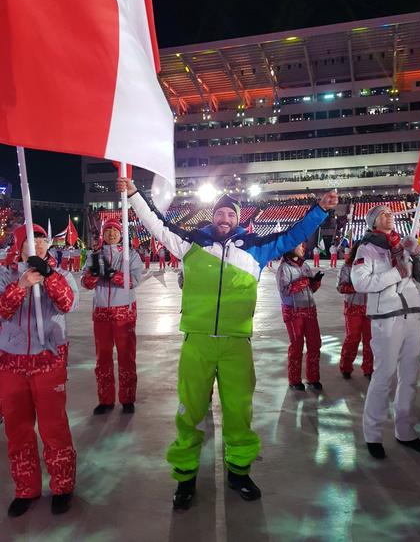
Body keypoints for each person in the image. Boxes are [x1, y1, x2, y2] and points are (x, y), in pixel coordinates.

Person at [118, 176, 337, 511]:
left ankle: (239, 472)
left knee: (238, 411)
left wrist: (320, 210)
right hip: (198, 341)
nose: (225, 220)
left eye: (231, 216)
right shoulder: (190, 243)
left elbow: (292, 235)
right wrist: (133, 194)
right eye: (220, 214)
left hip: (236, 343)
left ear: (238, 219)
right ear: (212, 217)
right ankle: (185, 476)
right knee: (189, 413)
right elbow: (157, 225)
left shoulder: (255, 249)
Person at [0, 224, 78, 517]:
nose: (39, 245)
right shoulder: (4, 275)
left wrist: (49, 278)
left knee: (53, 428)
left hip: (48, 361)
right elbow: (1, 310)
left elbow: (68, 303)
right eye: (31, 241)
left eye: (42, 239)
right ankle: (26, 489)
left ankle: (62, 486)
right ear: (19, 246)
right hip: (12, 363)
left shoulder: (62, 275)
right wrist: (20, 285)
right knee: (17, 430)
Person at [351, 205, 420, 459]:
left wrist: (419, 253)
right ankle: (372, 434)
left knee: (409, 376)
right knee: (383, 376)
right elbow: (360, 282)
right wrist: (393, 273)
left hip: (413, 314)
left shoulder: (405, 246)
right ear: (373, 222)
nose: (389, 216)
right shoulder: (367, 249)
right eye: (382, 214)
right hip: (386, 318)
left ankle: (405, 430)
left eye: (390, 213)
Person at [81, 219, 143, 415]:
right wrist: (93, 274)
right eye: (107, 231)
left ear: (121, 233)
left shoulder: (130, 255)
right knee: (103, 359)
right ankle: (105, 400)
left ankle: (127, 399)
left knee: (126, 356)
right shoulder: (93, 256)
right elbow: (86, 283)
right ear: (102, 234)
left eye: (114, 231)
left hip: (124, 312)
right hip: (101, 313)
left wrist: (111, 274)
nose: (111, 234)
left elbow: (133, 281)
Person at [276, 242, 323, 391]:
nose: (303, 248)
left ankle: (313, 378)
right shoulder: (284, 268)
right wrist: (304, 282)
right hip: (293, 312)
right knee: (297, 346)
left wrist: (315, 283)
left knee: (315, 344)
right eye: (300, 245)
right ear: (291, 247)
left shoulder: (305, 266)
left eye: (304, 245)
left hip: (309, 309)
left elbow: (310, 289)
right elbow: (284, 290)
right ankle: (294, 380)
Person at [336, 240, 373, 380]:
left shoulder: (373, 266)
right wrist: (358, 286)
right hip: (353, 308)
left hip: (371, 308)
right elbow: (340, 287)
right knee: (353, 338)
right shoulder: (347, 267)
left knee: (370, 340)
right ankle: (346, 367)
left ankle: (369, 368)